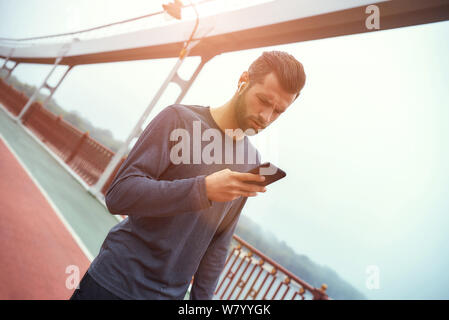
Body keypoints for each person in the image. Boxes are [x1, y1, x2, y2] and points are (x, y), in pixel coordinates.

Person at [70, 50, 306, 300]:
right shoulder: (177, 120)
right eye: (264, 101)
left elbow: (219, 240)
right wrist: (202, 189)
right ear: (243, 80)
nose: (266, 117)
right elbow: (119, 195)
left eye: (278, 111)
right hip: (112, 284)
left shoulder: (251, 160)